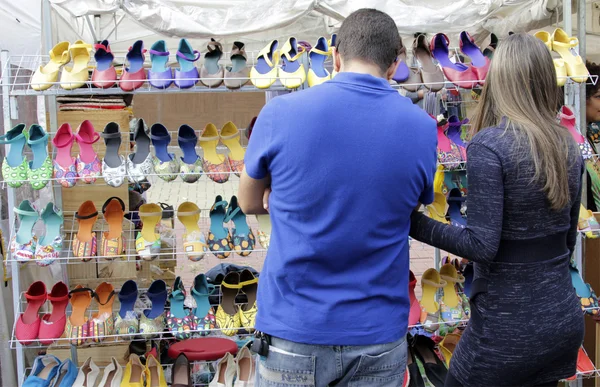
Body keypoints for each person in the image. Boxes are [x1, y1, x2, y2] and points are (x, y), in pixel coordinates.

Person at [238, 8, 437, 386]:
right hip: (377, 331)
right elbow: (410, 203)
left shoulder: (279, 113)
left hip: (294, 327)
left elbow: (247, 202)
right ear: (396, 64)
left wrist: (277, 191)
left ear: (335, 57)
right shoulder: (422, 129)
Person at [410, 33, 584, 387]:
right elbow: (566, 238)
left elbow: (481, 245)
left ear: (499, 79)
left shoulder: (491, 145)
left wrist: (415, 223)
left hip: (507, 327)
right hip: (561, 318)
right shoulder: (566, 144)